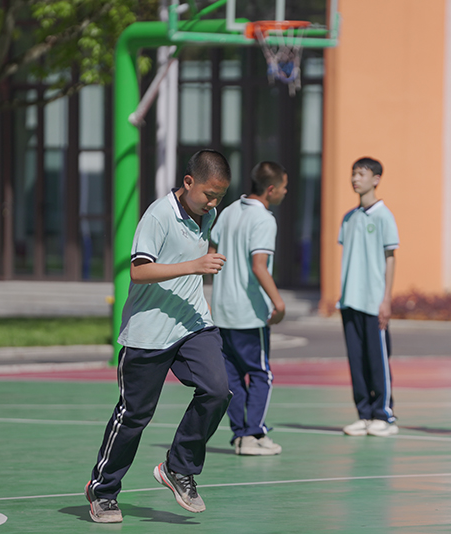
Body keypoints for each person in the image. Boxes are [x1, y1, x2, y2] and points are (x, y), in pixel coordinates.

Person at [85, 149, 233, 523]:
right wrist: (194, 266)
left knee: (218, 390)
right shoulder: (158, 215)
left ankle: (178, 467)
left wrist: (199, 280)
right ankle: (103, 490)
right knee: (134, 416)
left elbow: (193, 257)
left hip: (192, 325)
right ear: (188, 182)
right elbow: (139, 271)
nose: (213, 203)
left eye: (219, 197)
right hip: (148, 332)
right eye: (209, 195)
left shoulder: (208, 215)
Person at [209, 161, 289, 456]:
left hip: (222, 311)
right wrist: (278, 303)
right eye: (284, 187)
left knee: (232, 379)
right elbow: (259, 266)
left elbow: (211, 254)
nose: (285, 192)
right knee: (259, 375)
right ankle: (253, 433)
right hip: (249, 314)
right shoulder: (264, 220)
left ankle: (242, 435)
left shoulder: (229, 211)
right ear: (271, 189)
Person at [338, 157, 400, 437]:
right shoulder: (348, 218)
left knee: (378, 360)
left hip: (374, 302)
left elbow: (390, 258)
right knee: (357, 361)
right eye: (353, 173)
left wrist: (386, 298)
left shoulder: (384, 216)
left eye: (361, 174)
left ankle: (384, 415)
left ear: (376, 179)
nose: (355, 179)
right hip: (349, 300)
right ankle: (364, 415)